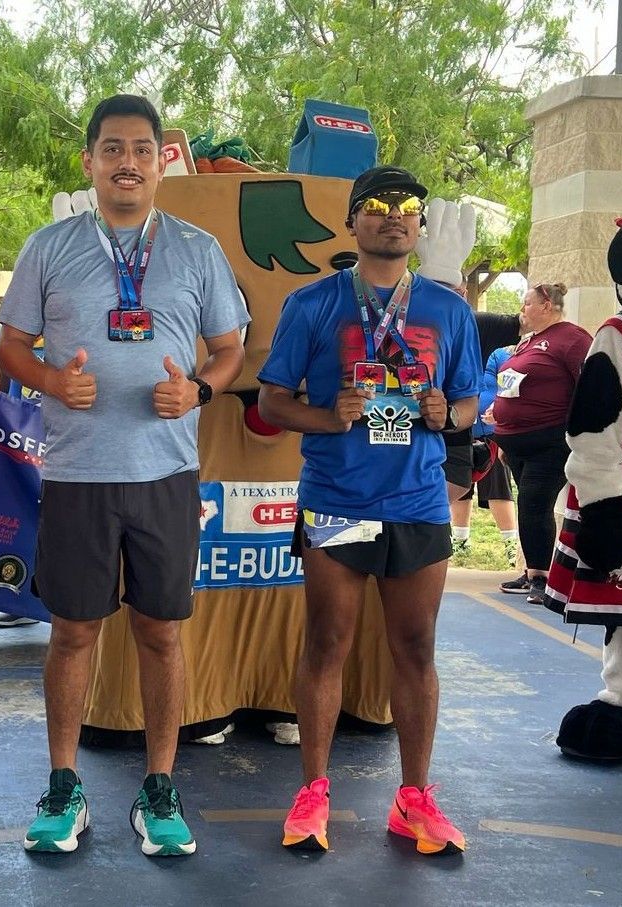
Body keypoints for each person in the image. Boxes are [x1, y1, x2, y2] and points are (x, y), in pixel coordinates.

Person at [0, 94, 247, 858]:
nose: (127, 162)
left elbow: (229, 350)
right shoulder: (50, 246)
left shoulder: (198, 250)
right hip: (77, 474)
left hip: (165, 473)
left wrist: (197, 390)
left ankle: (159, 785)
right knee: (73, 632)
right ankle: (64, 782)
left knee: (160, 633)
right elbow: (10, 346)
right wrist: (47, 380)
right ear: (89, 162)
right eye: (111, 148)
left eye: (141, 148)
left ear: (160, 162)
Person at [258, 165, 481, 856]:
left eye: (408, 207)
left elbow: (472, 401)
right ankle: (312, 793)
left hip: (416, 503)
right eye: (377, 206)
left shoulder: (448, 310)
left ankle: (413, 799)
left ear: (418, 226)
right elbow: (270, 401)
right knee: (327, 641)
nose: (394, 216)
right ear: (352, 222)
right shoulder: (313, 303)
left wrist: (449, 414)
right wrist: (329, 417)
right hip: (338, 501)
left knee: (415, 648)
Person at [491, 283, 591, 604]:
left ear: (547, 305)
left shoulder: (573, 339)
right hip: (516, 442)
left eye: (528, 303)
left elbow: (589, 386)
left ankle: (541, 578)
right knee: (530, 506)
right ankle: (534, 569)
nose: (523, 309)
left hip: (550, 441)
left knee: (534, 502)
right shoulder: (527, 342)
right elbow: (515, 384)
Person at [454, 342, 519, 560]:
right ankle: (460, 540)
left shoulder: (502, 353)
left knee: (498, 488)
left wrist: (500, 411)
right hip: (463, 429)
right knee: (461, 484)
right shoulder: (460, 351)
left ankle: (511, 545)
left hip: (492, 433)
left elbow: (510, 384)